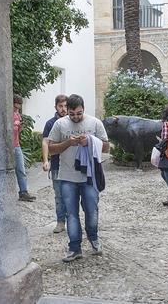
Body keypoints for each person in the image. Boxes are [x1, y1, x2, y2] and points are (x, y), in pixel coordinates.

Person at [48, 94, 109, 262]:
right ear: (66, 111)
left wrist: (90, 141)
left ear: (84, 109)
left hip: (89, 176)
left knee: (92, 210)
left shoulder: (95, 123)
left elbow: (107, 147)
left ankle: (93, 239)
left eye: (79, 113)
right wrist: (68, 143)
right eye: (72, 114)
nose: (75, 117)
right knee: (71, 214)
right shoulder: (59, 124)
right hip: (67, 177)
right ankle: (74, 247)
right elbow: (51, 149)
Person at [42, 94, 68, 233]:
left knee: (71, 195)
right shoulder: (50, 124)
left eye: (65, 106)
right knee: (59, 196)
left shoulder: (73, 122)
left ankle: (73, 221)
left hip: (71, 166)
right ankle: (60, 221)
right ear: (56, 107)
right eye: (61, 106)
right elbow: (45, 142)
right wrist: (46, 160)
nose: (63, 109)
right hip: (57, 165)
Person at [13, 95, 36, 202]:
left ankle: (23, 192)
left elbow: (18, 130)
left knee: (21, 169)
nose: (17, 108)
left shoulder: (18, 114)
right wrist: (15, 124)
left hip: (16, 145)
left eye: (19, 106)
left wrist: (20, 126)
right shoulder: (7, 113)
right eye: (16, 105)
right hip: (7, 146)